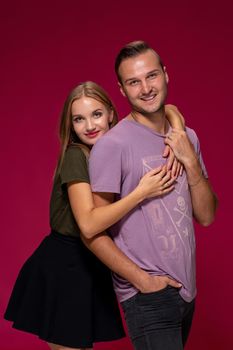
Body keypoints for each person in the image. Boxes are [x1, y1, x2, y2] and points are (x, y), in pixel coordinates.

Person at [4, 81, 185, 350]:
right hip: (65, 265)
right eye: (79, 119)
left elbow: (169, 108)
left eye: (96, 114)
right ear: (71, 125)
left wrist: (178, 131)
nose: (89, 125)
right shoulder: (77, 155)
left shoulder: (113, 147)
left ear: (111, 113)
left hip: (93, 265)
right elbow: (89, 224)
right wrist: (141, 192)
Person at [88, 41, 218, 350]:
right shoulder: (112, 145)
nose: (146, 88)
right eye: (134, 82)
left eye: (151, 76)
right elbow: (94, 232)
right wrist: (143, 282)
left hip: (186, 291)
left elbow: (207, 215)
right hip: (147, 297)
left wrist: (190, 161)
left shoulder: (188, 137)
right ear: (121, 89)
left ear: (166, 75)